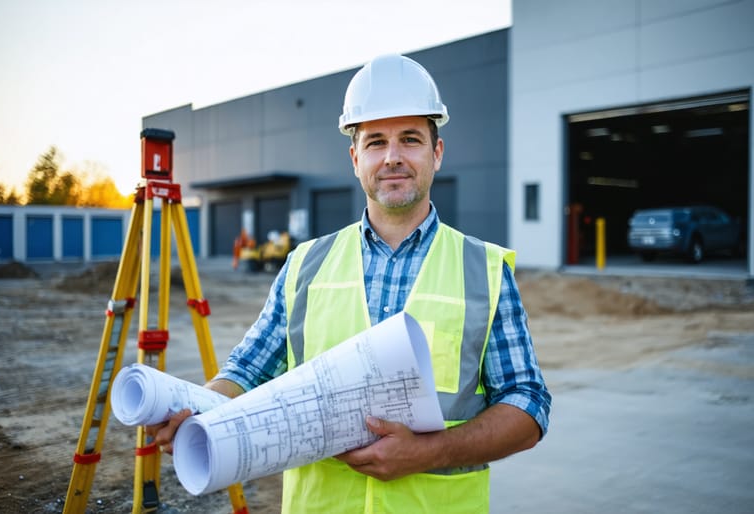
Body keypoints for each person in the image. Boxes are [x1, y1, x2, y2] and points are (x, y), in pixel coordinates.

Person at [148, 53, 552, 513]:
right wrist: (198, 413)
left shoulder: (483, 269)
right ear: (354, 157)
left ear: (437, 154)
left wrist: (428, 453)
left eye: (411, 140)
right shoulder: (306, 265)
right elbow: (247, 371)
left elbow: (529, 405)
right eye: (376, 141)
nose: (393, 157)